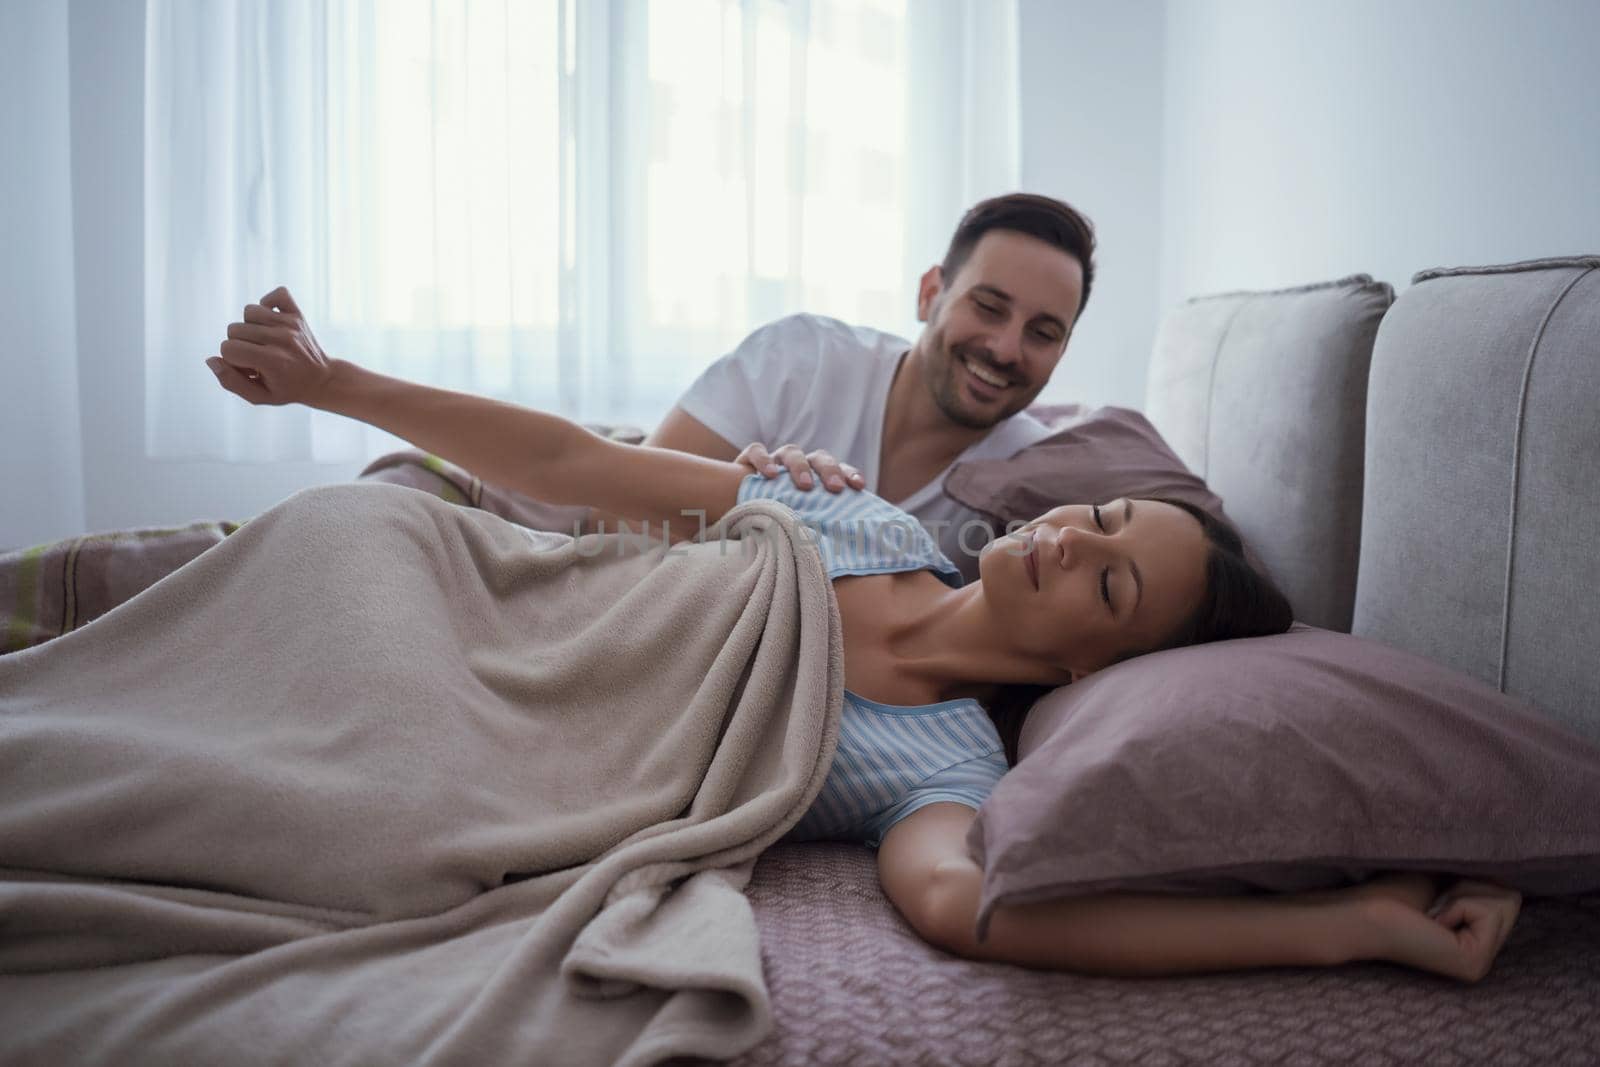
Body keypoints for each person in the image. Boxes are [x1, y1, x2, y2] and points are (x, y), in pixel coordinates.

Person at [201, 286, 1524, 985]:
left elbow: (970, 909)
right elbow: (578, 461)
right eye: (1104, 513)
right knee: (351, 531)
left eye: (1109, 582)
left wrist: (1353, 925)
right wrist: (333, 382)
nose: (1073, 534)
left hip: (504, 749)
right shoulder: (864, 517)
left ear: (1088, 671)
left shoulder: (949, 766)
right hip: (487, 613)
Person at [630, 192, 1097, 582]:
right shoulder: (800, 358)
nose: (1006, 348)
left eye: (1042, 333)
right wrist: (728, 499)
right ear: (929, 293)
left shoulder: (1039, 483)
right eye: (988, 307)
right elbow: (618, 517)